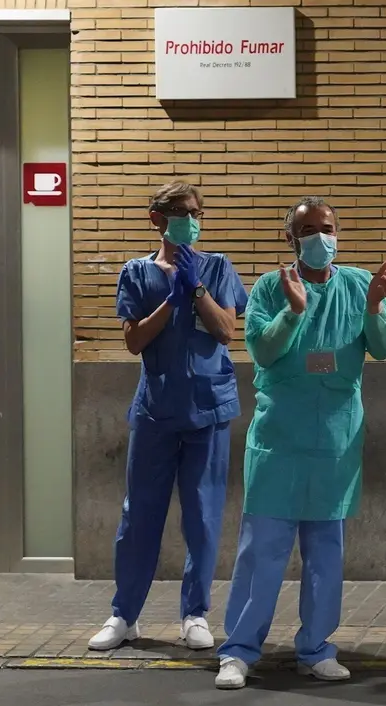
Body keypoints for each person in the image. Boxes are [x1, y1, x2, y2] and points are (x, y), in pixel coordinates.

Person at [215, 196, 386, 690]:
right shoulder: (272, 288)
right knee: (263, 552)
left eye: (329, 227)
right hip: (280, 439)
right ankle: (238, 649)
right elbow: (262, 351)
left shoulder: (361, 285)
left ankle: (316, 647)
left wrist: (376, 305)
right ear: (291, 238)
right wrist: (294, 313)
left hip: (336, 441)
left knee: (326, 554)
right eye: (310, 229)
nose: (322, 237)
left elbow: (384, 349)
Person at [89, 181, 248, 652]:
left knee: (201, 515)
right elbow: (134, 340)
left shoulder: (217, 267)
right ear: (156, 218)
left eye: (195, 211)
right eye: (179, 211)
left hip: (209, 410)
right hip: (156, 410)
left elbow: (224, 331)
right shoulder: (136, 273)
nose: (189, 218)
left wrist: (195, 288)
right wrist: (171, 300)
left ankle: (195, 613)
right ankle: (124, 614)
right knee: (139, 515)